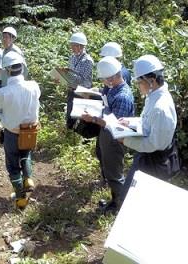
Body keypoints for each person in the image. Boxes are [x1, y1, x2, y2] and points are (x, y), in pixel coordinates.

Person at [120, 55, 179, 200]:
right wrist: (129, 122)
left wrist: (125, 140)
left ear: (151, 81)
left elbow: (153, 144)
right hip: (147, 156)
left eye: (139, 82)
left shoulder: (160, 107)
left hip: (155, 163)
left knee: (136, 199)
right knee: (129, 195)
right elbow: (146, 122)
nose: (138, 85)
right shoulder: (154, 95)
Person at [81, 56, 135, 213]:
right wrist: (94, 92)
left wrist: (93, 119)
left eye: (105, 79)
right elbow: (105, 97)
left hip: (114, 139)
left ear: (112, 78)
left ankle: (122, 206)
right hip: (106, 135)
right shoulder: (113, 88)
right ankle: (115, 201)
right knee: (110, 171)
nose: (103, 82)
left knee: (115, 175)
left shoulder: (123, 96)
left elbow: (116, 126)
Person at [0, 51, 40, 209]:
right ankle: (28, 178)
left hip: (12, 133)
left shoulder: (2, 92)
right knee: (25, 154)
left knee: (12, 165)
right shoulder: (34, 86)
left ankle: (20, 199)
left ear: (6, 71)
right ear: (23, 68)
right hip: (31, 130)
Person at [66, 32, 94, 130]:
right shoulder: (72, 57)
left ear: (81, 46)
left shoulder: (88, 61)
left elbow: (80, 79)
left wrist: (66, 77)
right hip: (72, 89)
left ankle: (81, 137)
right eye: (72, 45)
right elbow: (70, 72)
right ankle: (69, 134)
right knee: (70, 114)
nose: (72, 48)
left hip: (82, 92)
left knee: (81, 115)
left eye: (74, 45)